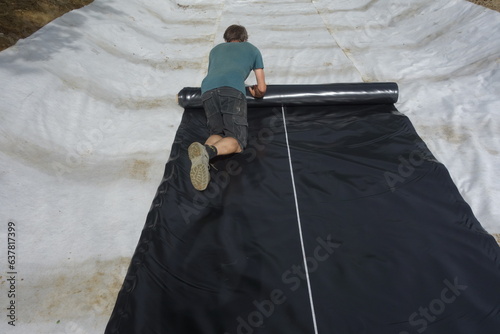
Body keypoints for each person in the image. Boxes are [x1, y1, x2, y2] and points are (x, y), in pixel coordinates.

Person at [188, 24, 267, 191]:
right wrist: (254, 92)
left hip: (207, 90)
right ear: (245, 38)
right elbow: (262, 88)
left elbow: (217, 73)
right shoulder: (252, 49)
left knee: (216, 132)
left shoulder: (216, 50)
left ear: (226, 38)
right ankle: (207, 153)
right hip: (231, 91)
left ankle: (203, 154)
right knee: (237, 142)